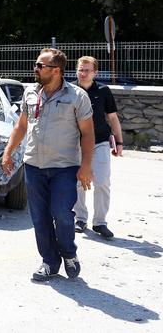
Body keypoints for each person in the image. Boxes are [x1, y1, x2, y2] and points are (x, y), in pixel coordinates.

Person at [2, 48, 94, 281]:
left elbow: (87, 133)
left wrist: (86, 166)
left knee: (62, 213)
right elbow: (21, 126)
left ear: (56, 70)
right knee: (40, 217)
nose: (35, 68)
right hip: (34, 164)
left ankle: (69, 254)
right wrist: (8, 152)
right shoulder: (30, 93)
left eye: (40, 65)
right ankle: (49, 262)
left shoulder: (76, 96)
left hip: (65, 166)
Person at [73, 56, 123, 239]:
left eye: (87, 70)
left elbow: (113, 118)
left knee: (102, 181)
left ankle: (100, 222)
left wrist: (119, 142)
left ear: (95, 72)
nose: (83, 73)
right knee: (78, 182)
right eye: (80, 69)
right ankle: (80, 218)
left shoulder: (103, 90)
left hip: (100, 141)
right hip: (75, 144)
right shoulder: (69, 90)